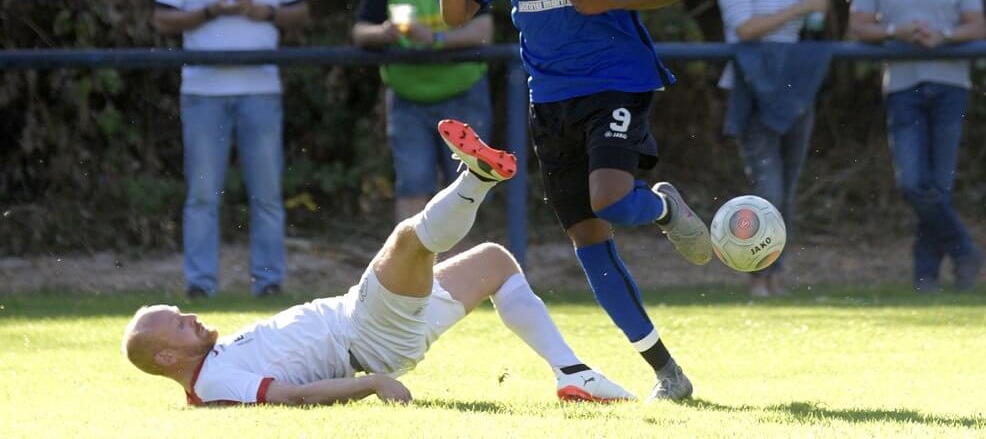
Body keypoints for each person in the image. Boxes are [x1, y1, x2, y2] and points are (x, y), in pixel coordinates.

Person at [440, 0, 711, 401]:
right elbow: (455, 16)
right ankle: (668, 372)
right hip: (550, 98)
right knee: (590, 244)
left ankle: (662, 210)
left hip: (617, 81)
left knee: (609, 198)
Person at [122, 120, 634, 406]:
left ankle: (573, 375)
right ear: (167, 359)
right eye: (178, 324)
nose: (189, 317)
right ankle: (477, 178)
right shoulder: (212, 383)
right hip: (361, 333)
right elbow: (291, 398)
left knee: (495, 262)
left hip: (369, 329)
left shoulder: (212, 364)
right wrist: (370, 384)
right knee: (409, 240)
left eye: (180, 312)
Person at [152, 0, 310, 298]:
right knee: (203, 194)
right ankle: (201, 285)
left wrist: (266, 12)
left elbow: (300, 12)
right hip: (203, 93)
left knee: (268, 194)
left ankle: (269, 283)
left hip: (261, 89)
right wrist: (208, 12)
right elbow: (163, 18)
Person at [847, 0, 986, 293]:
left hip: (951, 84)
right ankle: (964, 249)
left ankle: (926, 277)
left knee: (938, 186)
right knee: (912, 183)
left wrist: (943, 37)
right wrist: (895, 31)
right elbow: (858, 25)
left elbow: (977, 26)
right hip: (903, 85)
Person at [715, 0, 833, 297]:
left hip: (793, 88)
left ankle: (776, 275)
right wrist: (805, 5)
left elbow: (809, 27)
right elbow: (746, 28)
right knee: (768, 189)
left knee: (789, 189)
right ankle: (759, 277)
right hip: (752, 87)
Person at [353, 0, 494, 222]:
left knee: (466, 188)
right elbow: (360, 31)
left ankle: (458, 269)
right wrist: (384, 33)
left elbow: (484, 29)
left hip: (463, 95)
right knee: (412, 186)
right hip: (407, 102)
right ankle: (411, 269)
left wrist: (435, 40)